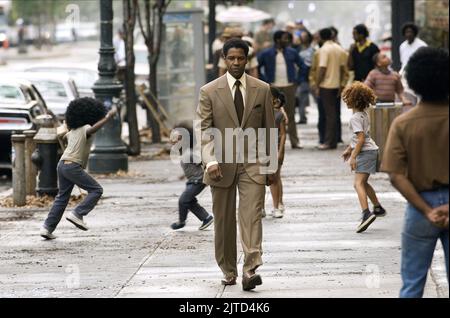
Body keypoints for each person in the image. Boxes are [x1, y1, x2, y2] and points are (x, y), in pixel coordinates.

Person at [196, 38, 276, 291]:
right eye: (231, 58)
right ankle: (228, 268)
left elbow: (269, 129)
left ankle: (251, 267)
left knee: (252, 216)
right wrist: (210, 161)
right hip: (220, 166)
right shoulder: (209, 91)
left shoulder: (262, 89)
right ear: (224, 59)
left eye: (240, 58)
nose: (236, 63)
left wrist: (271, 166)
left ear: (247, 59)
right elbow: (204, 128)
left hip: (253, 164)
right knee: (223, 221)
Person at [380, 47, 449, 298]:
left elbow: (395, 175)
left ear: (416, 83)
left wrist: (428, 210)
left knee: (412, 284)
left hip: (420, 205)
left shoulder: (404, 123)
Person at [40, 98, 117, 240]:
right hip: (72, 166)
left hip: (62, 165)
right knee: (96, 190)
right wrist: (108, 117)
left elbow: (61, 128)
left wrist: (55, 117)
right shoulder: (85, 128)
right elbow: (93, 129)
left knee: (62, 198)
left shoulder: (71, 131)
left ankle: (47, 228)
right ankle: (77, 214)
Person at [341, 82, 386, 233]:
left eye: (347, 98)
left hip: (365, 152)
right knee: (364, 183)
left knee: (358, 184)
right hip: (370, 150)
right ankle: (377, 207)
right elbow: (361, 137)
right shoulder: (363, 114)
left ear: (353, 100)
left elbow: (360, 139)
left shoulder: (355, 117)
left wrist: (353, 156)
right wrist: (349, 149)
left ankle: (366, 213)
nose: (345, 101)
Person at [258, 30, 305, 149]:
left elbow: (303, 66)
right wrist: (265, 81)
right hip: (273, 87)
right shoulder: (267, 53)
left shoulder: (292, 52)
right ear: (277, 40)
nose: (287, 41)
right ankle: (272, 143)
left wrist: (297, 81)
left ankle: (295, 142)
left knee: (291, 114)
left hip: (289, 86)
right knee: (271, 115)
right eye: (285, 38)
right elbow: (256, 66)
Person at [170, 123, 214, 231]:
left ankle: (181, 222)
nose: (174, 141)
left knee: (183, 200)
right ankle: (206, 218)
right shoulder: (184, 152)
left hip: (198, 181)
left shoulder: (189, 153)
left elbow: (202, 161)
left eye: (178, 138)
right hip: (193, 180)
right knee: (189, 201)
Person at [316, 28, 346, 150]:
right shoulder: (339, 48)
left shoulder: (324, 49)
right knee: (334, 114)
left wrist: (317, 84)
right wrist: (342, 84)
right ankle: (333, 141)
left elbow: (322, 68)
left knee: (329, 115)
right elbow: (344, 69)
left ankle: (328, 142)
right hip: (337, 85)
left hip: (326, 85)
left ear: (321, 37)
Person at [269, 87, 287, 218]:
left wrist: (280, 151)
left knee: (275, 176)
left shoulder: (279, 114)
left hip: (275, 149)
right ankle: (262, 207)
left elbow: (283, 134)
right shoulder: (259, 113)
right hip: (263, 149)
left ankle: (277, 205)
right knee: (262, 178)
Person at [296, 30, 315, 124]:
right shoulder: (297, 49)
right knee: (302, 98)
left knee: (317, 97)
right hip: (302, 77)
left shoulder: (313, 50)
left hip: (312, 77)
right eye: (302, 36)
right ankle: (302, 117)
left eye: (305, 36)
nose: (303, 38)